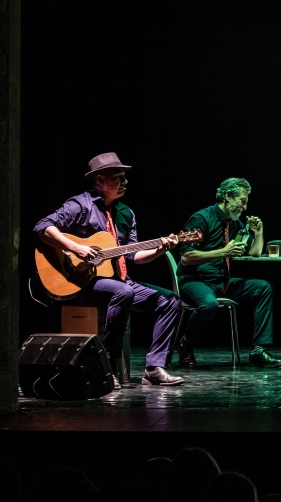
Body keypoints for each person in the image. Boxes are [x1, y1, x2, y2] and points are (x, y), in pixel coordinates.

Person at [34, 152, 183, 387]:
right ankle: (108, 366)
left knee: (171, 301)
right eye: (119, 177)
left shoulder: (126, 214)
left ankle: (154, 367)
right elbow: (43, 227)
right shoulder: (79, 205)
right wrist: (76, 248)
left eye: (125, 177)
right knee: (124, 292)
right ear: (100, 180)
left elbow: (134, 257)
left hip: (119, 280)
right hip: (79, 282)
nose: (125, 182)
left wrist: (160, 249)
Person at [176, 177, 281, 368]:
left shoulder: (233, 223)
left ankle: (259, 350)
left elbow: (255, 252)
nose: (245, 206)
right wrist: (223, 252)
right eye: (242, 200)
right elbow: (186, 257)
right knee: (209, 304)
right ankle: (185, 343)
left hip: (222, 282)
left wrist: (258, 232)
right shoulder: (201, 218)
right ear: (227, 196)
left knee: (263, 288)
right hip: (195, 281)